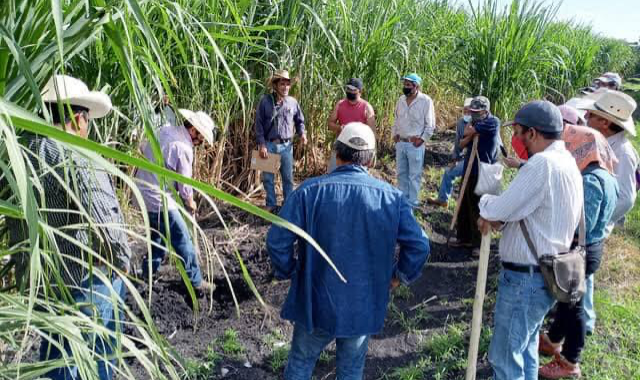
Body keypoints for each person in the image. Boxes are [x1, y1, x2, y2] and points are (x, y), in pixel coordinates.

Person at [267, 122, 430, 380]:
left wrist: (290, 270)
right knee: (351, 368)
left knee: (301, 361)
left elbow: (277, 241)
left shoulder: (309, 192)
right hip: (361, 303)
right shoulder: (392, 198)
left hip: (315, 300)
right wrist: (398, 276)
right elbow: (420, 245)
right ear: (372, 160)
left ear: (336, 152)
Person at [10, 75, 131, 380]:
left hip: (43, 283)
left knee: (56, 359)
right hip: (86, 281)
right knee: (99, 355)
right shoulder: (77, 153)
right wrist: (122, 264)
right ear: (78, 119)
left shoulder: (18, 154)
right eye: (88, 121)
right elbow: (105, 219)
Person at [477, 100, 583, 380]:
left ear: (533, 133)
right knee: (525, 350)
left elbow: (498, 209)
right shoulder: (567, 161)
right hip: (546, 274)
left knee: (504, 355)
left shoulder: (542, 165)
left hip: (526, 279)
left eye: (520, 132)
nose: (517, 138)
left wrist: (487, 202)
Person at [537, 124, 618, 379]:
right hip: (591, 247)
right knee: (567, 300)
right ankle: (552, 340)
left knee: (575, 308)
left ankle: (571, 361)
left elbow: (584, 223)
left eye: (572, 147)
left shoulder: (591, 180)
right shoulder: (606, 175)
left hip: (581, 250)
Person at [135, 109, 216, 293]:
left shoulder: (165, 130)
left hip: (143, 192)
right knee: (183, 240)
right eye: (201, 137)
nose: (200, 142)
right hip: (159, 199)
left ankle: (147, 274)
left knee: (157, 237)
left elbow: (143, 147)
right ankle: (196, 283)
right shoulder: (184, 148)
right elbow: (184, 185)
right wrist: (190, 201)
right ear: (194, 130)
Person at [580, 89, 638, 333]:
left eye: (591, 114)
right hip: (591, 219)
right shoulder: (604, 142)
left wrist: (600, 222)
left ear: (605, 122)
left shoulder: (622, 152)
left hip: (596, 223)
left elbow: (626, 198)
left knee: (583, 270)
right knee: (581, 269)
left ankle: (584, 321)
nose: (586, 117)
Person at [451, 96, 500, 256]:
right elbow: (465, 135)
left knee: (479, 206)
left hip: (484, 170)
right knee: (464, 202)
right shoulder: (474, 122)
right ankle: (463, 237)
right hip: (469, 168)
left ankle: (478, 243)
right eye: (472, 111)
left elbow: (470, 132)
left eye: (477, 112)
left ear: (485, 111)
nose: (473, 114)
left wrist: (472, 132)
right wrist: (471, 133)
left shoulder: (492, 122)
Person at [255, 69, 307, 212]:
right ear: (276, 85)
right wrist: (261, 144)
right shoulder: (265, 102)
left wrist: (302, 133)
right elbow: (258, 124)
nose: (286, 87)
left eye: (288, 84)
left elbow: (299, 121)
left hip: (286, 146)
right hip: (269, 144)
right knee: (267, 178)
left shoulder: (292, 102)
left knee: (288, 177)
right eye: (282, 84)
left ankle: (288, 205)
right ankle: (271, 204)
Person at [392, 73, 436, 208]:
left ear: (416, 86)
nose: (405, 87)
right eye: (404, 84)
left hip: (415, 144)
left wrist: (422, 140)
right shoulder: (401, 100)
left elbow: (430, 125)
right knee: (401, 173)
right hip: (401, 142)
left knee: (414, 174)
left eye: (408, 85)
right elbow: (396, 118)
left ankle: (413, 202)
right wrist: (395, 134)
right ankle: (402, 200)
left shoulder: (425, 101)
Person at [427, 98, 473, 207]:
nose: (466, 113)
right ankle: (443, 199)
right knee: (449, 171)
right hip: (466, 158)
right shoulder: (461, 123)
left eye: (469, 111)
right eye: (464, 111)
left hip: (479, 161)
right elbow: (458, 143)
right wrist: (454, 159)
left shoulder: (479, 123)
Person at [326, 78, 376, 172]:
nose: (350, 92)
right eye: (348, 89)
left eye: (353, 90)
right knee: (333, 172)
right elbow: (330, 124)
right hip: (341, 144)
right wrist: (339, 128)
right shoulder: (340, 104)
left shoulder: (366, 107)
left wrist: (372, 152)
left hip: (359, 147)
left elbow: (372, 132)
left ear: (360, 91)